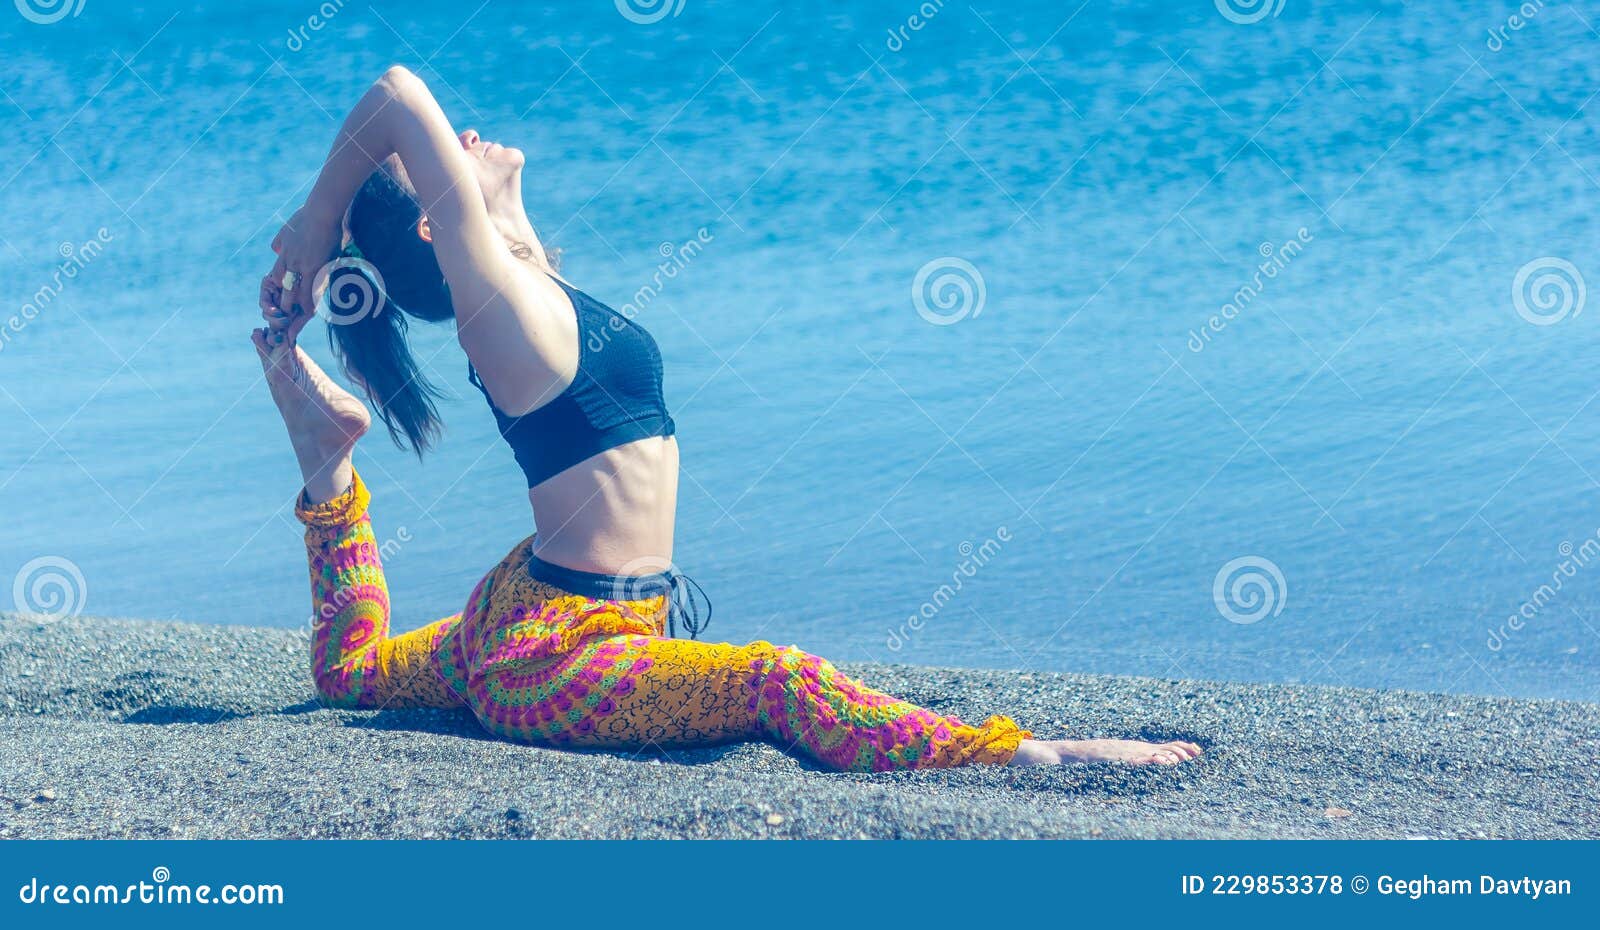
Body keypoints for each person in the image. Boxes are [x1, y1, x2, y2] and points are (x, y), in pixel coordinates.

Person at [255, 66, 1203, 771]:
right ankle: (1021, 757)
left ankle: (328, 467)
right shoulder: (505, 317)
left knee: (355, 675)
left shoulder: (532, 286)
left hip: (537, 610)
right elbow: (395, 96)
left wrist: (438, 222)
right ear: (441, 232)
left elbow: (468, 197)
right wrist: (316, 223)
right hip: (551, 656)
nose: (467, 135)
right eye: (446, 168)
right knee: (771, 679)